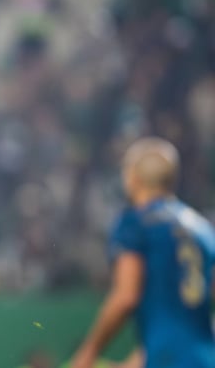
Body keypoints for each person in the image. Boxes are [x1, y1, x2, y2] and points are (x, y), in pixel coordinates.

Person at [71, 137, 215, 368]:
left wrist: (89, 352)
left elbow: (126, 296)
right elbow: (182, 315)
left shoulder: (135, 223)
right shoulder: (202, 229)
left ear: (132, 178)